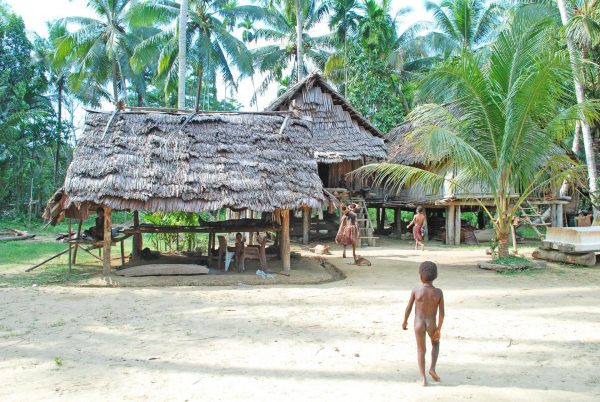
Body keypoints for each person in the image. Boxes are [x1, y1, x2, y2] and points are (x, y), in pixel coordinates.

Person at [403, 261, 445, 386]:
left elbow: (409, 308)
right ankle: (432, 368)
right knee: (435, 344)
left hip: (418, 323)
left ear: (420, 276)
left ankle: (423, 378)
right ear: (435, 276)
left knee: (421, 350)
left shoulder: (416, 290)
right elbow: (442, 314)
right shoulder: (438, 292)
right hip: (432, 323)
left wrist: (405, 321)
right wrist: (439, 329)